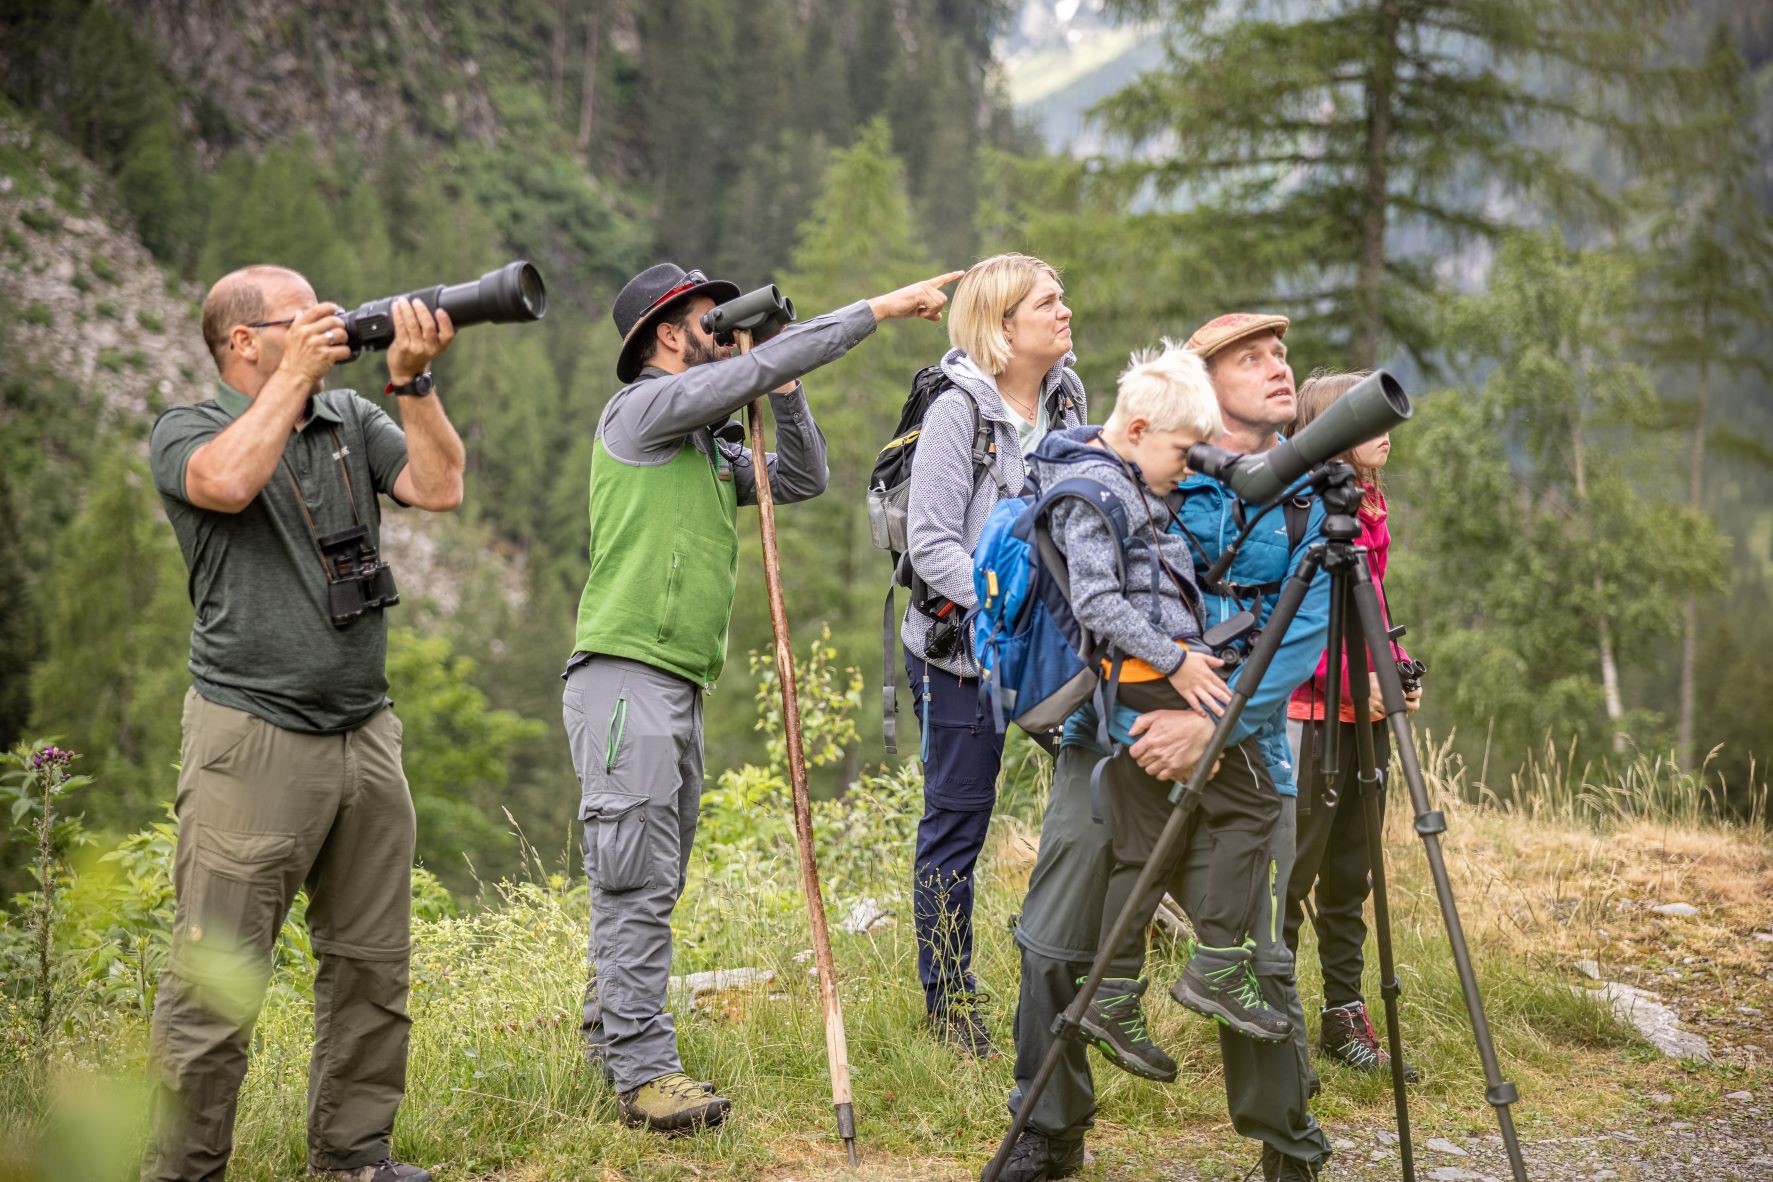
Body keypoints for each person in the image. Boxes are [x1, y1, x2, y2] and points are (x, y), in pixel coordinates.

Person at [565, 261, 962, 1134]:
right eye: (711, 315)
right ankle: (645, 1075)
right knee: (633, 877)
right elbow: (732, 378)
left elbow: (801, 477)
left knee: (651, 877)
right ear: (669, 333)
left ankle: (609, 1046)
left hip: (676, 678)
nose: (723, 323)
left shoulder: (708, 443)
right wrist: (881, 305)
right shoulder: (639, 413)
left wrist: (780, 376)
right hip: (625, 675)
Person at [992, 313, 1334, 1182]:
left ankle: (1287, 1150)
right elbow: (1086, 597)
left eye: (1280, 356)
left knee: (1252, 961)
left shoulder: (1303, 503)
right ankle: (1049, 1126)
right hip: (1108, 742)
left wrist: (1208, 728)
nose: (1276, 370)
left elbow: (1302, 636)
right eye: (1249, 359)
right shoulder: (1145, 472)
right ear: (1200, 387)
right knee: (1055, 940)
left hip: (1242, 746)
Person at [143, 265, 466, 1182]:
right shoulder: (188, 430)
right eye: (305, 319)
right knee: (217, 981)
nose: (330, 327)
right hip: (251, 735)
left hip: (364, 731)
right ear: (244, 341)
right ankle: (183, 1170)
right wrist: (292, 385)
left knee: (371, 964)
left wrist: (413, 384)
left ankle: (354, 1154)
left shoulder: (350, 421)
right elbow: (226, 485)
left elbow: (439, 488)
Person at [899, 253, 1086, 1057]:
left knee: (1096, 800)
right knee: (958, 820)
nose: (1064, 311)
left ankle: (1089, 977)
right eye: (1047, 302)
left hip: (1051, 643)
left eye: (1061, 298)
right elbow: (931, 544)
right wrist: (1007, 601)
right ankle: (948, 1001)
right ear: (1002, 325)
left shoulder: (1068, 397)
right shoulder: (956, 412)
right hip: (961, 654)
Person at [1281, 369, 1423, 1085]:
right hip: (1310, 717)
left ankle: (1342, 1015)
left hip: (1362, 712)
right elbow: (1291, 630)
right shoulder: (1302, 512)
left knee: (1349, 875)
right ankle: (1272, 1031)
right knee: (1290, 879)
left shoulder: (1366, 509)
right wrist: (1350, 682)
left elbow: (1370, 605)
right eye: (1364, 419)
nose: (1383, 433)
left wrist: (1395, 668)